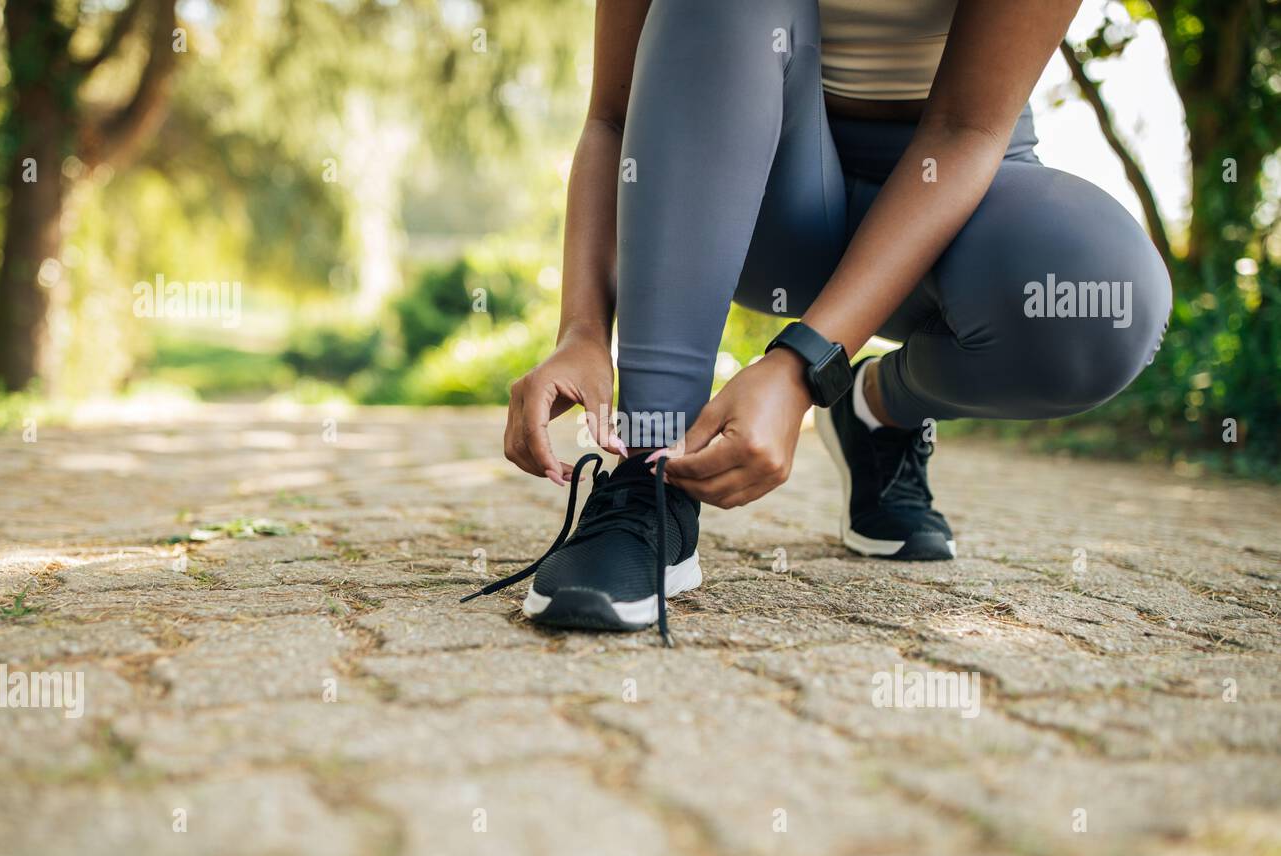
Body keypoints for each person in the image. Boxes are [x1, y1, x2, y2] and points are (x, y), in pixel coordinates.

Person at [465, 0, 1171, 645]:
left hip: (955, 184)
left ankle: (876, 411)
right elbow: (612, 119)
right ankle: (652, 475)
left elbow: (966, 128)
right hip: (759, 188)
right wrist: (582, 331)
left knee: (1104, 303)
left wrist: (804, 367)